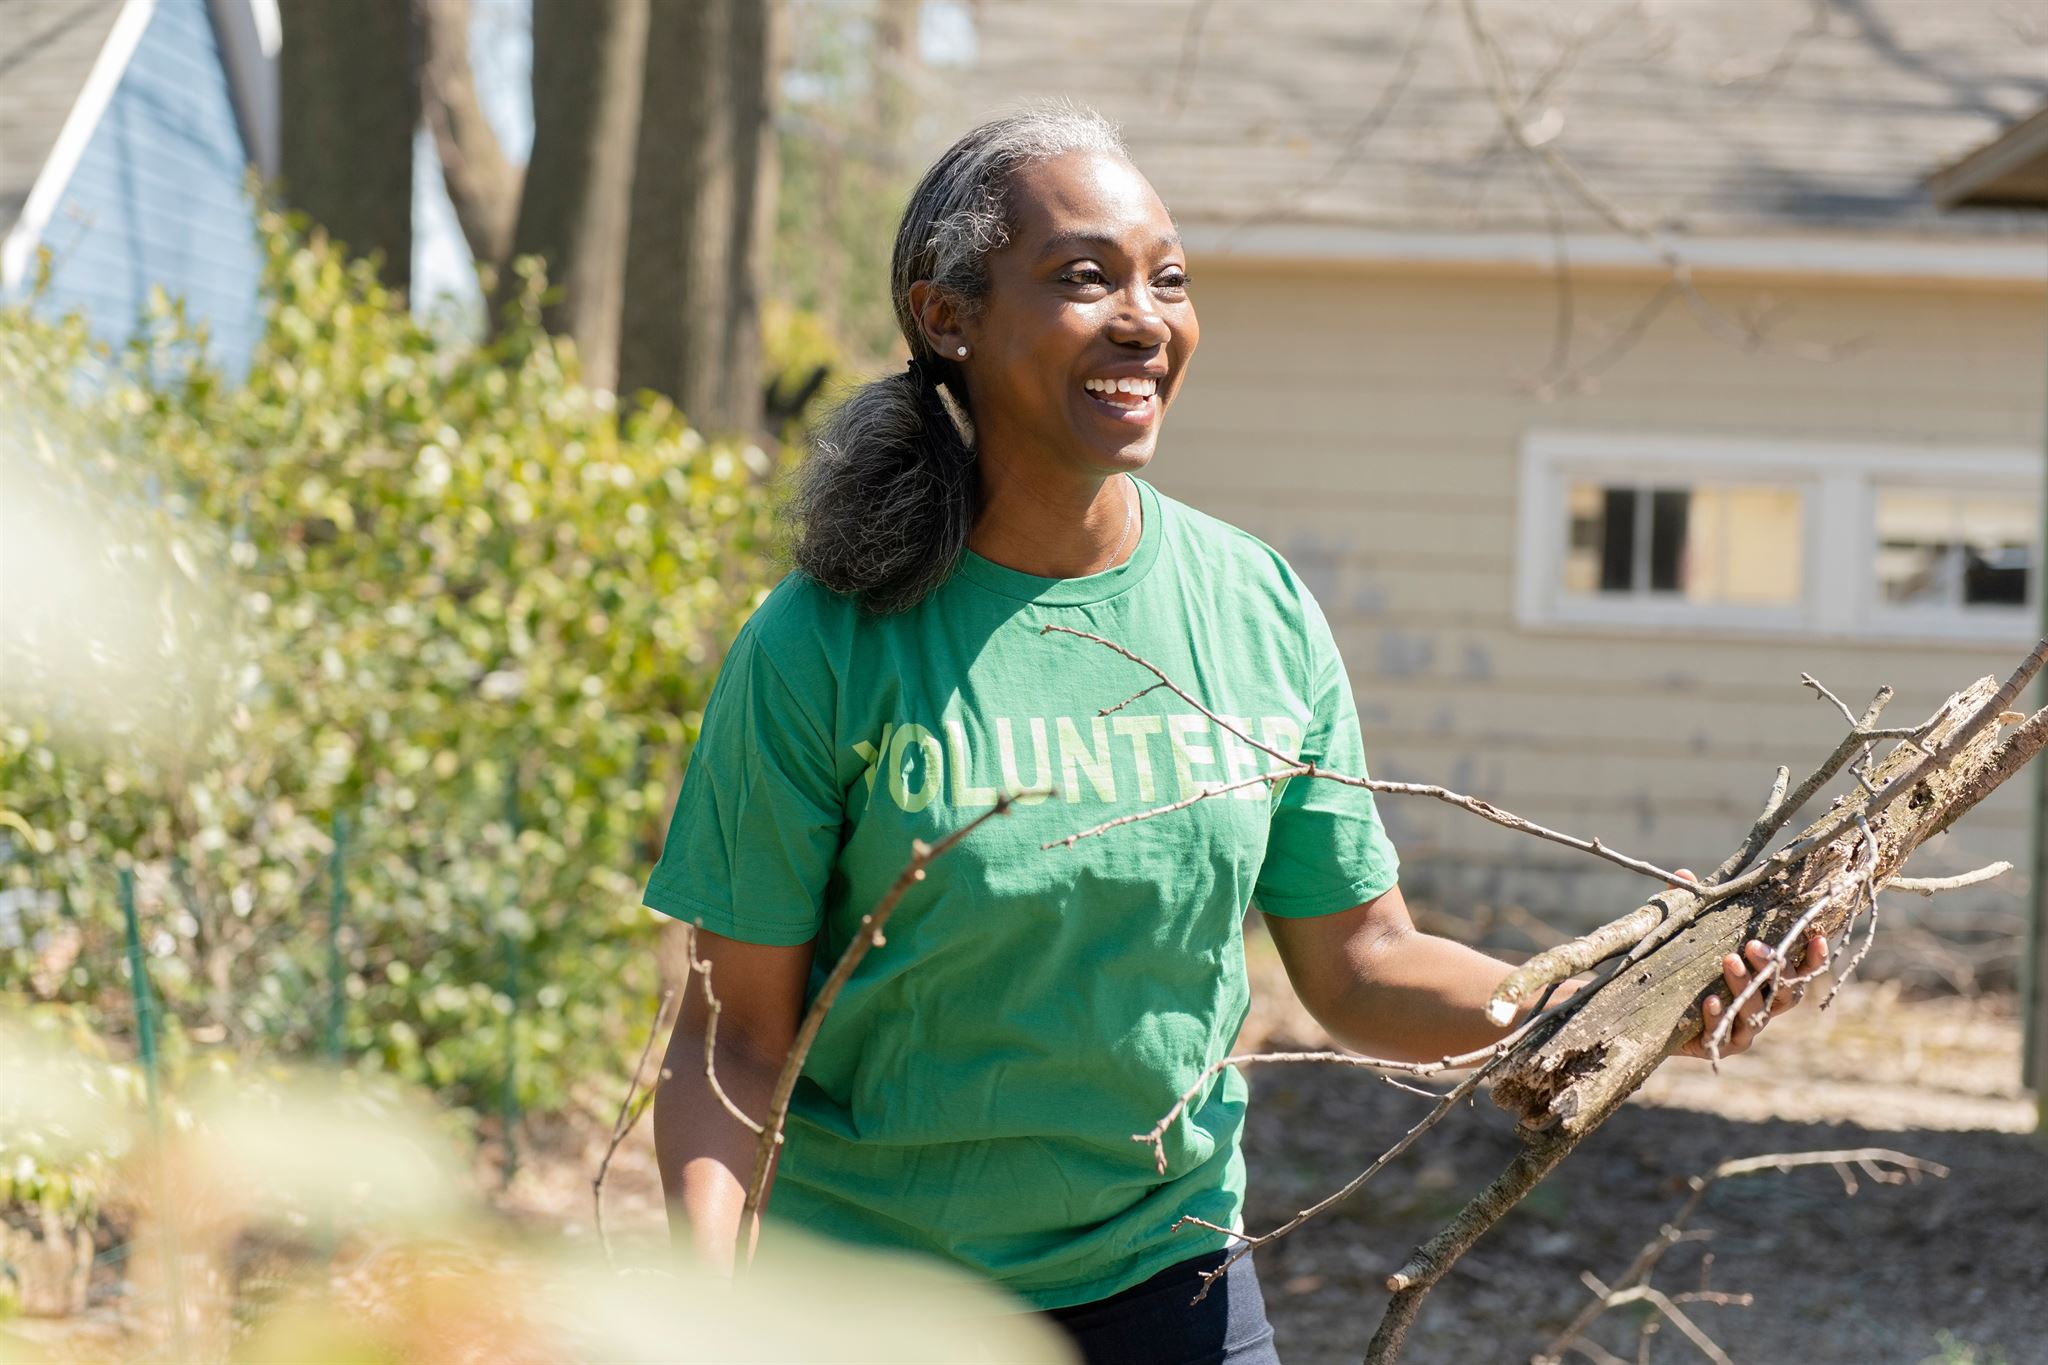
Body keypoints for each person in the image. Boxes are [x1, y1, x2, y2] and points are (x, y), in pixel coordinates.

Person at [643, 106, 1821, 1365]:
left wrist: (1606, 999)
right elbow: (734, 1037)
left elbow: (1361, 964)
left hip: (1170, 1287)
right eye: (1084, 277)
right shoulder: (826, 642)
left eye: (1170, 277)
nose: (1145, 319)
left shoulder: (1250, 607)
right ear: (949, 319)